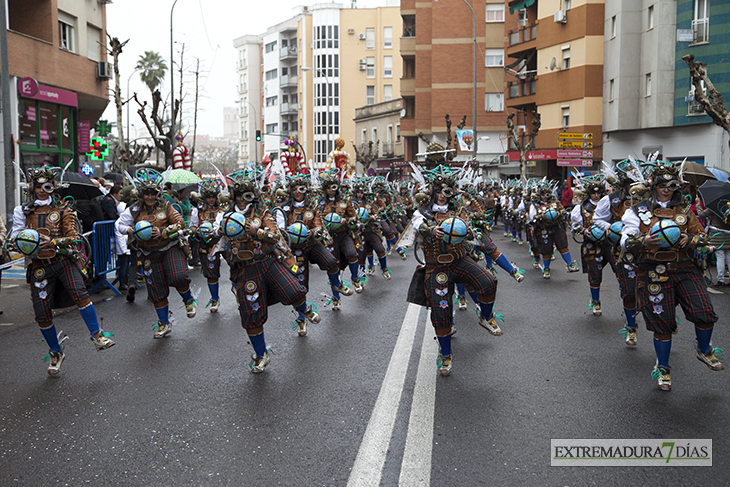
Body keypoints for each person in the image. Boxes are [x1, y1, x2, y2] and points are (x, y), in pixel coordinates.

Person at [621, 160, 723, 391]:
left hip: (685, 267)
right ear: (653, 185)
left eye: (671, 184)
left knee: (704, 313)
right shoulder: (637, 210)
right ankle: (664, 369)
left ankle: (704, 349)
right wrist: (643, 240)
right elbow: (625, 240)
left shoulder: (685, 210)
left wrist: (691, 239)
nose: (666, 188)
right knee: (662, 323)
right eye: (661, 184)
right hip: (654, 271)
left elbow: (702, 237)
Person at [10, 166, 115, 375]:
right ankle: (56, 352)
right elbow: (14, 237)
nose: (41, 190)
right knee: (41, 313)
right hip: (39, 266)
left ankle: (97, 335)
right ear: (32, 187)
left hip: (64, 260)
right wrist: (23, 243)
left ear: (53, 187)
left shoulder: (64, 210)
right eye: (37, 185)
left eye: (45, 185)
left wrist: (53, 241)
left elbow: (75, 238)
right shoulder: (22, 211)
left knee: (80, 293)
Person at [409, 167, 502, 377]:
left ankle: (485, 317)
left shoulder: (458, 209)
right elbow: (417, 224)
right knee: (441, 313)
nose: (442, 195)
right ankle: (446, 354)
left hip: (459, 260)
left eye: (447, 191)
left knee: (488, 281)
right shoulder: (422, 212)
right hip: (436, 267)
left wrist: (468, 230)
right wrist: (430, 229)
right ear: (433, 191)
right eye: (439, 191)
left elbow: (469, 227)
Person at [213, 172, 310, 372]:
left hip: (267, 261)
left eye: (246, 194)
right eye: (238, 194)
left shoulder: (262, 213)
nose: (241, 199)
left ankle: (305, 310)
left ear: (253, 195)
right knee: (251, 314)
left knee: (294, 290)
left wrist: (256, 232)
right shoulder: (223, 216)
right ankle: (260, 354)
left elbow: (275, 235)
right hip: (243, 268)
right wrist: (217, 231)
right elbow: (209, 234)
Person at [116, 169, 198, 338]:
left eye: (153, 193)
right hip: (147, 252)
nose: (150, 197)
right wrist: (129, 229)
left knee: (179, 277)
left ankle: (188, 299)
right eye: (146, 193)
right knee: (156, 288)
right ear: (141, 193)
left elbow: (181, 224)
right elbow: (120, 225)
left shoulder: (167, 206)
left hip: (170, 247)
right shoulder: (135, 209)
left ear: (158, 193)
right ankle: (164, 323)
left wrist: (162, 232)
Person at [273, 173, 352, 333]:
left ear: (306, 189)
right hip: (295, 249)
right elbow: (278, 230)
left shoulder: (313, 207)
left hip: (311, 243)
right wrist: (286, 232)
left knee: (331, 261)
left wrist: (313, 232)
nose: (297, 192)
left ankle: (337, 285)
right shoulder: (284, 208)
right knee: (300, 286)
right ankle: (302, 319)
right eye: (293, 189)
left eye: (300, 188)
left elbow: (319, 225)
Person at [570, 177, 614, 315]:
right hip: (591, 244)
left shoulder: (610, 204)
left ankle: (629, 305)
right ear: (588, 193)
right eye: (593, 193)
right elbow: (574, 227)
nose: (596, 195)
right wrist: (584, 231)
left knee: (621, 272)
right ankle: (595, 301)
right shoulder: (580, 208)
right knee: (595, 275)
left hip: (609, 243)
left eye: (599, 192)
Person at [529, 182, 580, 278]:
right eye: (542, 195)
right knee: (546, 249)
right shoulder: (535, 205)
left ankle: (570, 265)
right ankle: (546, 269)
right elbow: (532, 218)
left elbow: (563, 211)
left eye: (546, 194)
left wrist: (559, 213)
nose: (544, 197)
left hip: (557, 227)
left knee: (563, 246)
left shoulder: (555, 202)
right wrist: (541, 216)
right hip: (544, 229)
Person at [190, 180, 225, 312]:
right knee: (211, 273)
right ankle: (215, 299)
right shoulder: (197, 210)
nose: (211, 199)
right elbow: (192, 226)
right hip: (207, 243)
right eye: (208, 197)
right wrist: (196, 230)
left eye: (213, 197)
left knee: (236, 268)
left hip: (223, 241)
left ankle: (239, 296)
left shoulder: (223, 210)